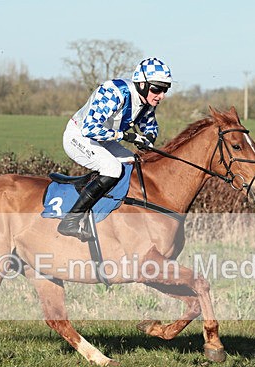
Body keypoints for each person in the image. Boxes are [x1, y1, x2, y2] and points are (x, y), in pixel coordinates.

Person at [57, 57, 172, 240]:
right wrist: (126, 136)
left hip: (104, 140)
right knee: (112, 169)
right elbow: (90, 129)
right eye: (157, 89)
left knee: (134, 163)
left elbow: (150, 127)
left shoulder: (147, 102)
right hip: (79, 136)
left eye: (165, 89)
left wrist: (148, 139)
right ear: (142, 84)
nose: (161, 95)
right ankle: (70, 220)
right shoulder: (115, 92)